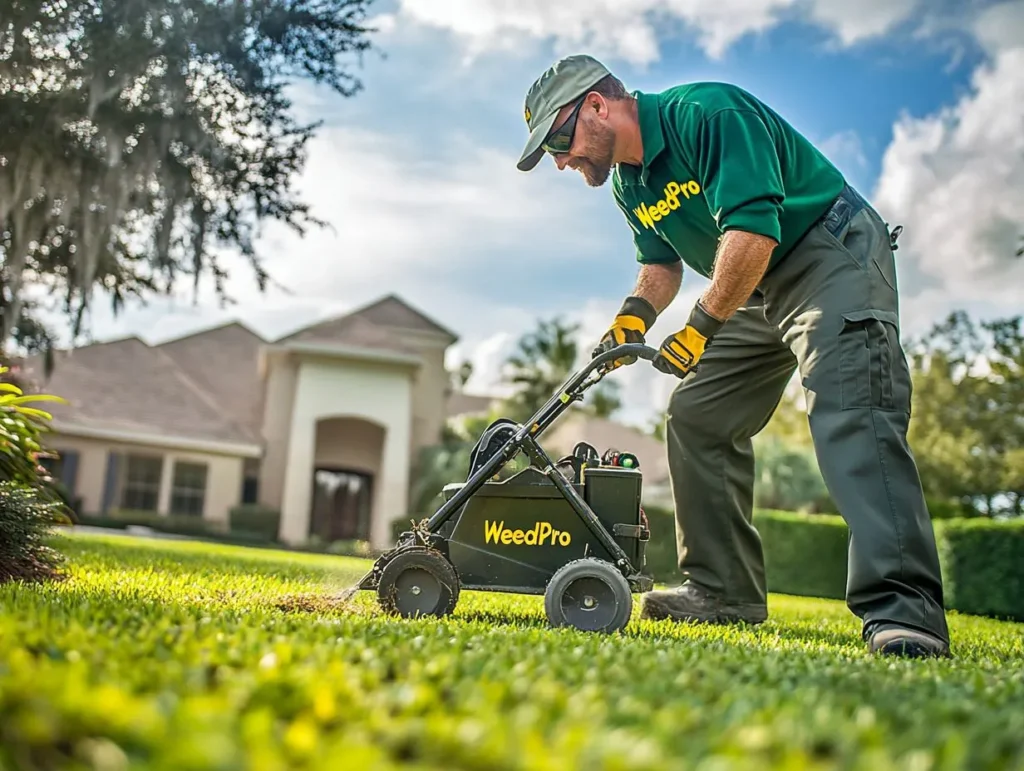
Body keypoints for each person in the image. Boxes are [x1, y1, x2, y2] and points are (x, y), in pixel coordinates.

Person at [516, 54, 951, 659]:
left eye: (560, 140)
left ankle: (906, 613)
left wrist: (697, 330)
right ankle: (721, 592)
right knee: (698, 413)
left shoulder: (707, 113)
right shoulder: (629, 181)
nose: (562, 160)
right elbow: (659, 266)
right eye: (551, 154)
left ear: (597, 104)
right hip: (757, 284)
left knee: (848, 398)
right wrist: (629, 323)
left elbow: (753, 230)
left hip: (827, 251)